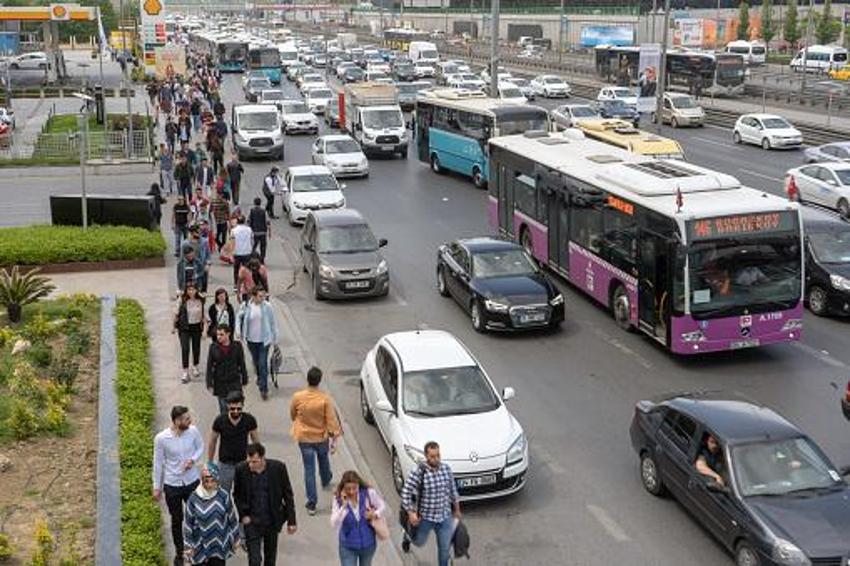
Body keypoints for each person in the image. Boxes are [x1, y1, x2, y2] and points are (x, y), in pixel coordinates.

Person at [153, 405, 205, 566]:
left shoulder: (193, 431)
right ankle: (179, 553)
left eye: (189, 418)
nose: (190, 421)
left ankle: (197, 550)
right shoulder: (161, 438)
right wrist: (157, 487)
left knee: (196, 517)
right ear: (176, 421)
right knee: (177, 520)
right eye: (186, 419)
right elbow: (158, 463)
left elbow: (200, 447)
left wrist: (193, 460)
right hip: (172, 484)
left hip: (192, 481)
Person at [233, 443, 297, 566]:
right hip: (252, 522)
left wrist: (292, 521)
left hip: (271, 521)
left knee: (270, 559)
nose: (251, 465)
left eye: (254, 462)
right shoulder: (241, 469)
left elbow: (288, 495)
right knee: (254, 560)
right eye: (249, 461)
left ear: (263, 458)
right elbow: (237, 495)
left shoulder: (278, 468)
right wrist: (243, 515)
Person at [289, 366, 342, 515]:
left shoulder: (298, 397)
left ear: (308, 379)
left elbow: (292, 414)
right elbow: (331, 420)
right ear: (319, 381)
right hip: (321, 437)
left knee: (309, 469)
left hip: (304, 437)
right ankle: (326, 479)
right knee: (323, 460)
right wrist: (334, 438)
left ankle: (312, 503)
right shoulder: (324, 399)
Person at [400, 441, 461, 566]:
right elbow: (405, 492)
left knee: (444, 549)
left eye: (438, 455)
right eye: (433, 456)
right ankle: (407, 536)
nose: (436, 459)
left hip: (444, 517)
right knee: (419, 542)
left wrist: (457, 509)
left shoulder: (446, 469)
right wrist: (411, 513)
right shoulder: (418, 472)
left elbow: (453, 490)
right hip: (425, 518)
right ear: (426, 456)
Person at [182, 463, 241, 566]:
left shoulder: (223, 495)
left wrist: (236, 539)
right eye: (206, 481)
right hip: (199, 545)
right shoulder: (193, 498)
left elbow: (232, 518)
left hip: (219, 544)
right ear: (202, 480)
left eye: (212, 480)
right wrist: (188, 546)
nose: (209, 484)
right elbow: (188, 524)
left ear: (217, 479)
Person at [330, 470, 386, 566]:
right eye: (348, 489)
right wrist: (343, 507)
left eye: (354, 488)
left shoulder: (368, 493)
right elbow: (333, 523)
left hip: (368, 545)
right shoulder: (338, 499)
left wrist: (375, 514)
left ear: (358, 485)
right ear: (343, 487)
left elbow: (382, 506)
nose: (351, 492)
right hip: (348, 547)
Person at [208, 391, 260, 493]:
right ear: (227, 406)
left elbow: (256, 441)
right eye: (232, 409)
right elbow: (213, 441)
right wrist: (210, 462)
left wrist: (257, 458)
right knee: (223, 493)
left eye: (239, 409)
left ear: (243, 406)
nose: (236, 411)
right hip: (225, 464)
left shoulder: (249, 420)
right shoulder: (220, 420)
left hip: (243, 463)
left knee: (244, 493)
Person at [236, 287, 278, 400]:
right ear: (253, 296)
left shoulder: (267, 306)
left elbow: (273, 323)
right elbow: (238, 318)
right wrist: (238, 332)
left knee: (263, 363)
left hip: (264, 341)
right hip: (251, 340)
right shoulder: (246, 306)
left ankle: (264, 389)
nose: (262, 298)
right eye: (260, 296)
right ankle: (260, 377)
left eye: (263, 296)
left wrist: (275, 339)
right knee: (256, 362)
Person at [206, 324, 249, 414]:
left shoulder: (237, 346)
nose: (219, 337)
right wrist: (209, 383)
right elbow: (209, 366)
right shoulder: (213, 347)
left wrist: (245, 379)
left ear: (228, 334)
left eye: (221, 334)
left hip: (234, 382)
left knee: (236, 408)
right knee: (223, 409)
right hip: (220, 383)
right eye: (217, 334)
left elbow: (242, 363)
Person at [174, 283, 205, 383]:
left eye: (193, 289)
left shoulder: (200, 300)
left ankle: (195, 366)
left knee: (196, 347)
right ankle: (185, 371)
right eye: (189, 290)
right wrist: (173, 326)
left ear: (196, 290)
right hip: (184, 327)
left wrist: (204, 329)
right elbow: (176, 314)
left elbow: (203, 315)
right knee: (185, 348)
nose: (191, 292)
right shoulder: (182, 300)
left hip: (196, 327)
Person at [231, 217, 254, 289]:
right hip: (247, 252)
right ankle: (246, 284)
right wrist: (251, 249)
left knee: (236, 269)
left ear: (237, 221)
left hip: (237, 252)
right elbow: (252, 240)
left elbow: (232, 242)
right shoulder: (249, 229)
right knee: (247, 269)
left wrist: (231, 253)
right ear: (244, 221)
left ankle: (236, 285)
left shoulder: (233, 230)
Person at [248, 198, 271, 263]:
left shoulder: (251, 211)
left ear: (254, 203)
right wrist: (269, 231)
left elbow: (249, 221)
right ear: (260, 203)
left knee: (253, 246)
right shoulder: (264, 211)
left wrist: (249, 230)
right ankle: (262, 259)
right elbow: (267, 222)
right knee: (263, 246)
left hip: (254, 232)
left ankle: (251, 258)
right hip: (263, 232)